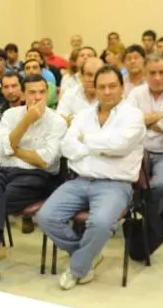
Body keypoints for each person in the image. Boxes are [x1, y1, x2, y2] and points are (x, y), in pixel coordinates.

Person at [38, 65, 146, 290]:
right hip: (80, 180)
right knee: (45, 217)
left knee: (101, 222)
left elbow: (120, 145)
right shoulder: (84, 114)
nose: (107, 92)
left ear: (121, 87)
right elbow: (67, 145)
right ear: (94, 89)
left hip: (115, 184)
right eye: (102, 87)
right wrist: (100, 144)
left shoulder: (133, 115)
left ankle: (78, 268)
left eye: (112, 86)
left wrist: (85, 139)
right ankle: (88, 255)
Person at [0, 74, 67, 287]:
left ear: (48, 94)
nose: (37, 97)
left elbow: (45, 160)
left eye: (42, 92)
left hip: (38, 178)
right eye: (32, 92)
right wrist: (26, 121)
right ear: (23, 94)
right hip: (6, 171)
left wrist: (15, 148)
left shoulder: (57, 121)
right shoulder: (10, 115)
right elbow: (2, 150)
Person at [125, 55, 163, 253]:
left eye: (162, 72)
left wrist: (145, 121)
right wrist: (160, 117)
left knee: (161, 186)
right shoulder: (136, 93)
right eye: (152, 73)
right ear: (144, 74)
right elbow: (129, 122)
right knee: (124, 184)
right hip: (139, 151)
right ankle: (157, 218)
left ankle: (149, 222)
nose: (157, 77)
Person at [57, 56, 101, 125]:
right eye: (89, 75)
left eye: (97, 75)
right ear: (81, 76)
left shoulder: (111, 95)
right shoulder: (69, 95)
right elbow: (61, 121)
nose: (93, 79)